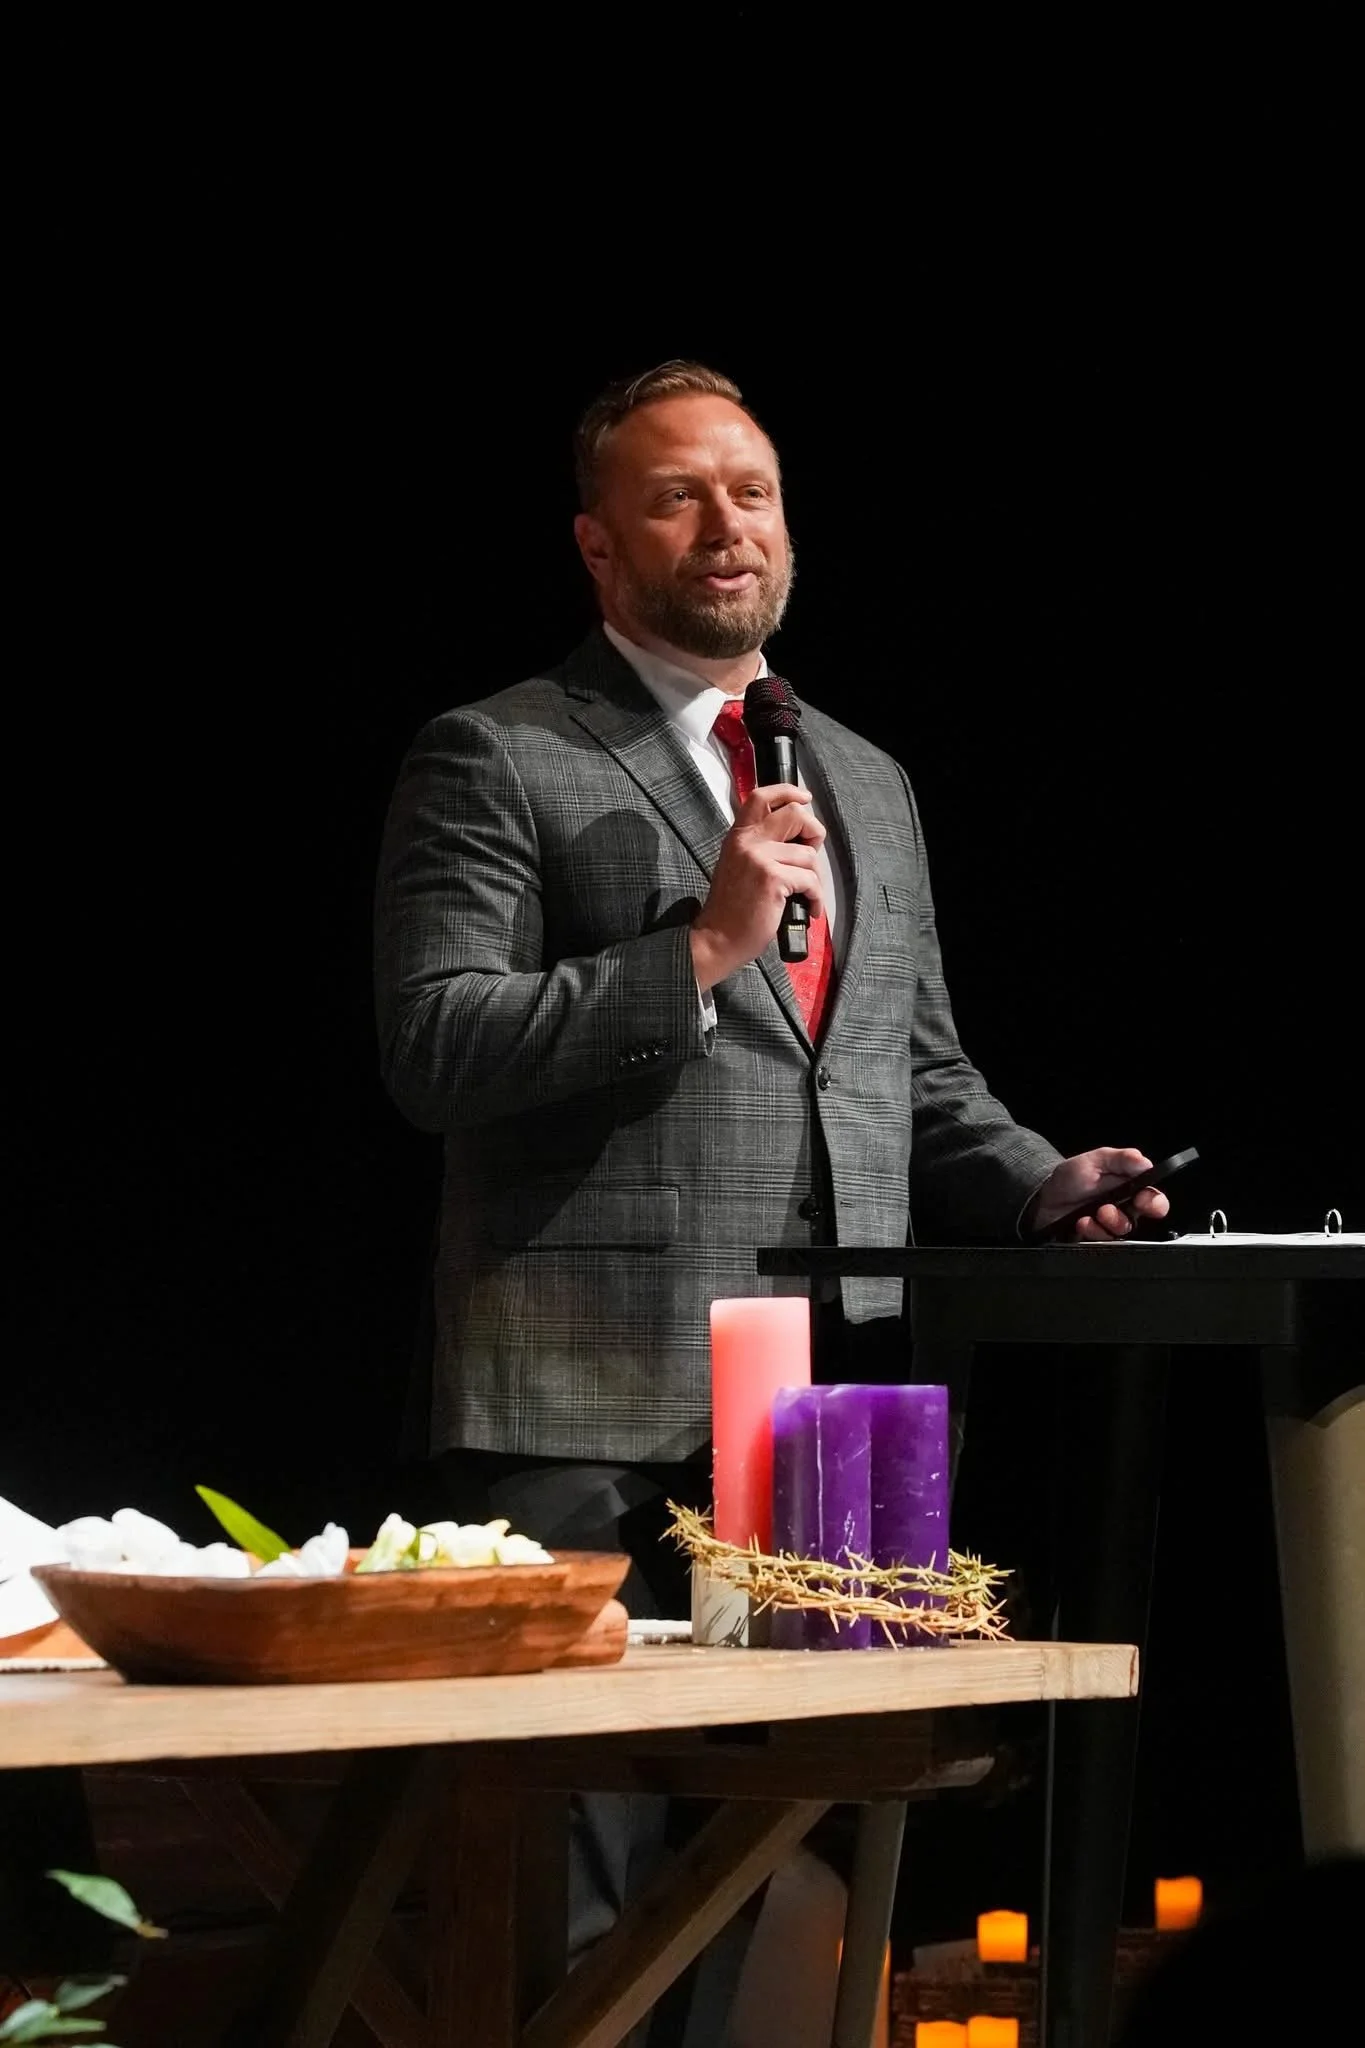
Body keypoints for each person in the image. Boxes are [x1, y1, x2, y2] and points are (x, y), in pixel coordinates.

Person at [372, 358, 1169, 2035]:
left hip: (826, 1421)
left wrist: (1040, 1185)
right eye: (678, 494)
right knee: (575, 1882)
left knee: (774, 1851)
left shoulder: (863, 778)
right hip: (585, 1404)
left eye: (752, 488)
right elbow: (433, 1047)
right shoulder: (500, 754)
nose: (726, 524)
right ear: (598, 545)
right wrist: (698, 953)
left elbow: (909, 1072)